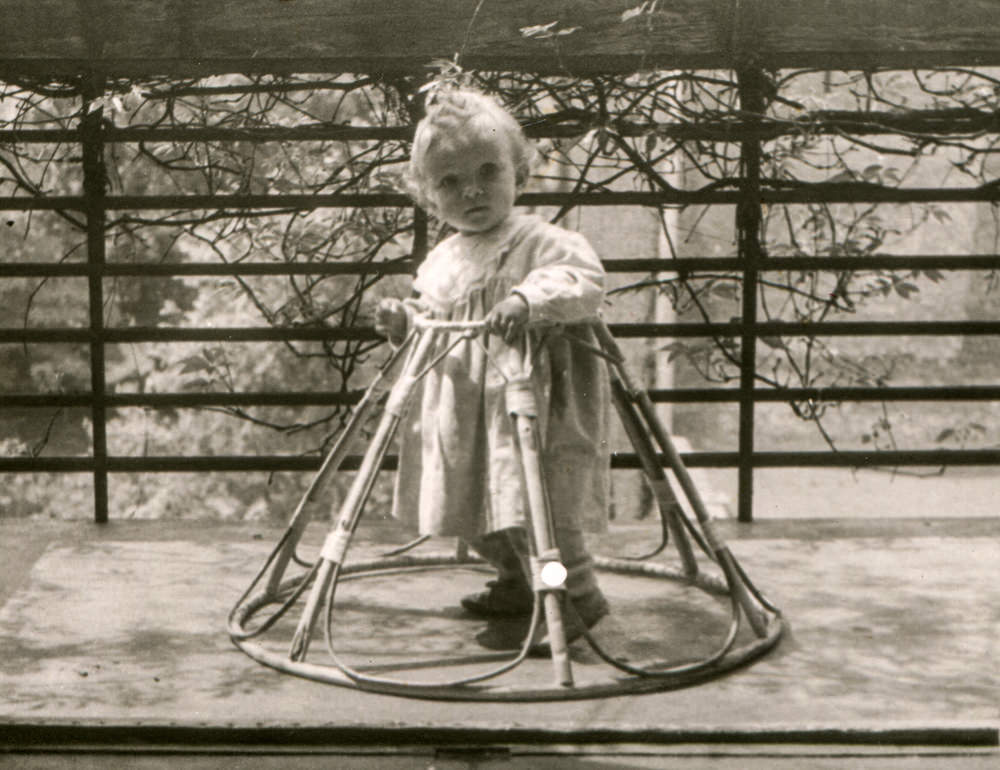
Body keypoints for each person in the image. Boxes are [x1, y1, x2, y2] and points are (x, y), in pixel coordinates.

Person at [375, 87, 611, 650]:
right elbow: (435, 317)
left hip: (533, 407)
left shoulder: (544, 242)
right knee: (480, 509)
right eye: (450, 183)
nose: (472, 190)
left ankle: (570, 593)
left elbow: (581, 282)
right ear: (429, 199)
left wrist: (528, 301)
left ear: (520, 174)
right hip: (468, 415)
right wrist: (405, 319)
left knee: (539, 513)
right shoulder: (444, 259)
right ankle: (516, 581)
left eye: (487, 172)